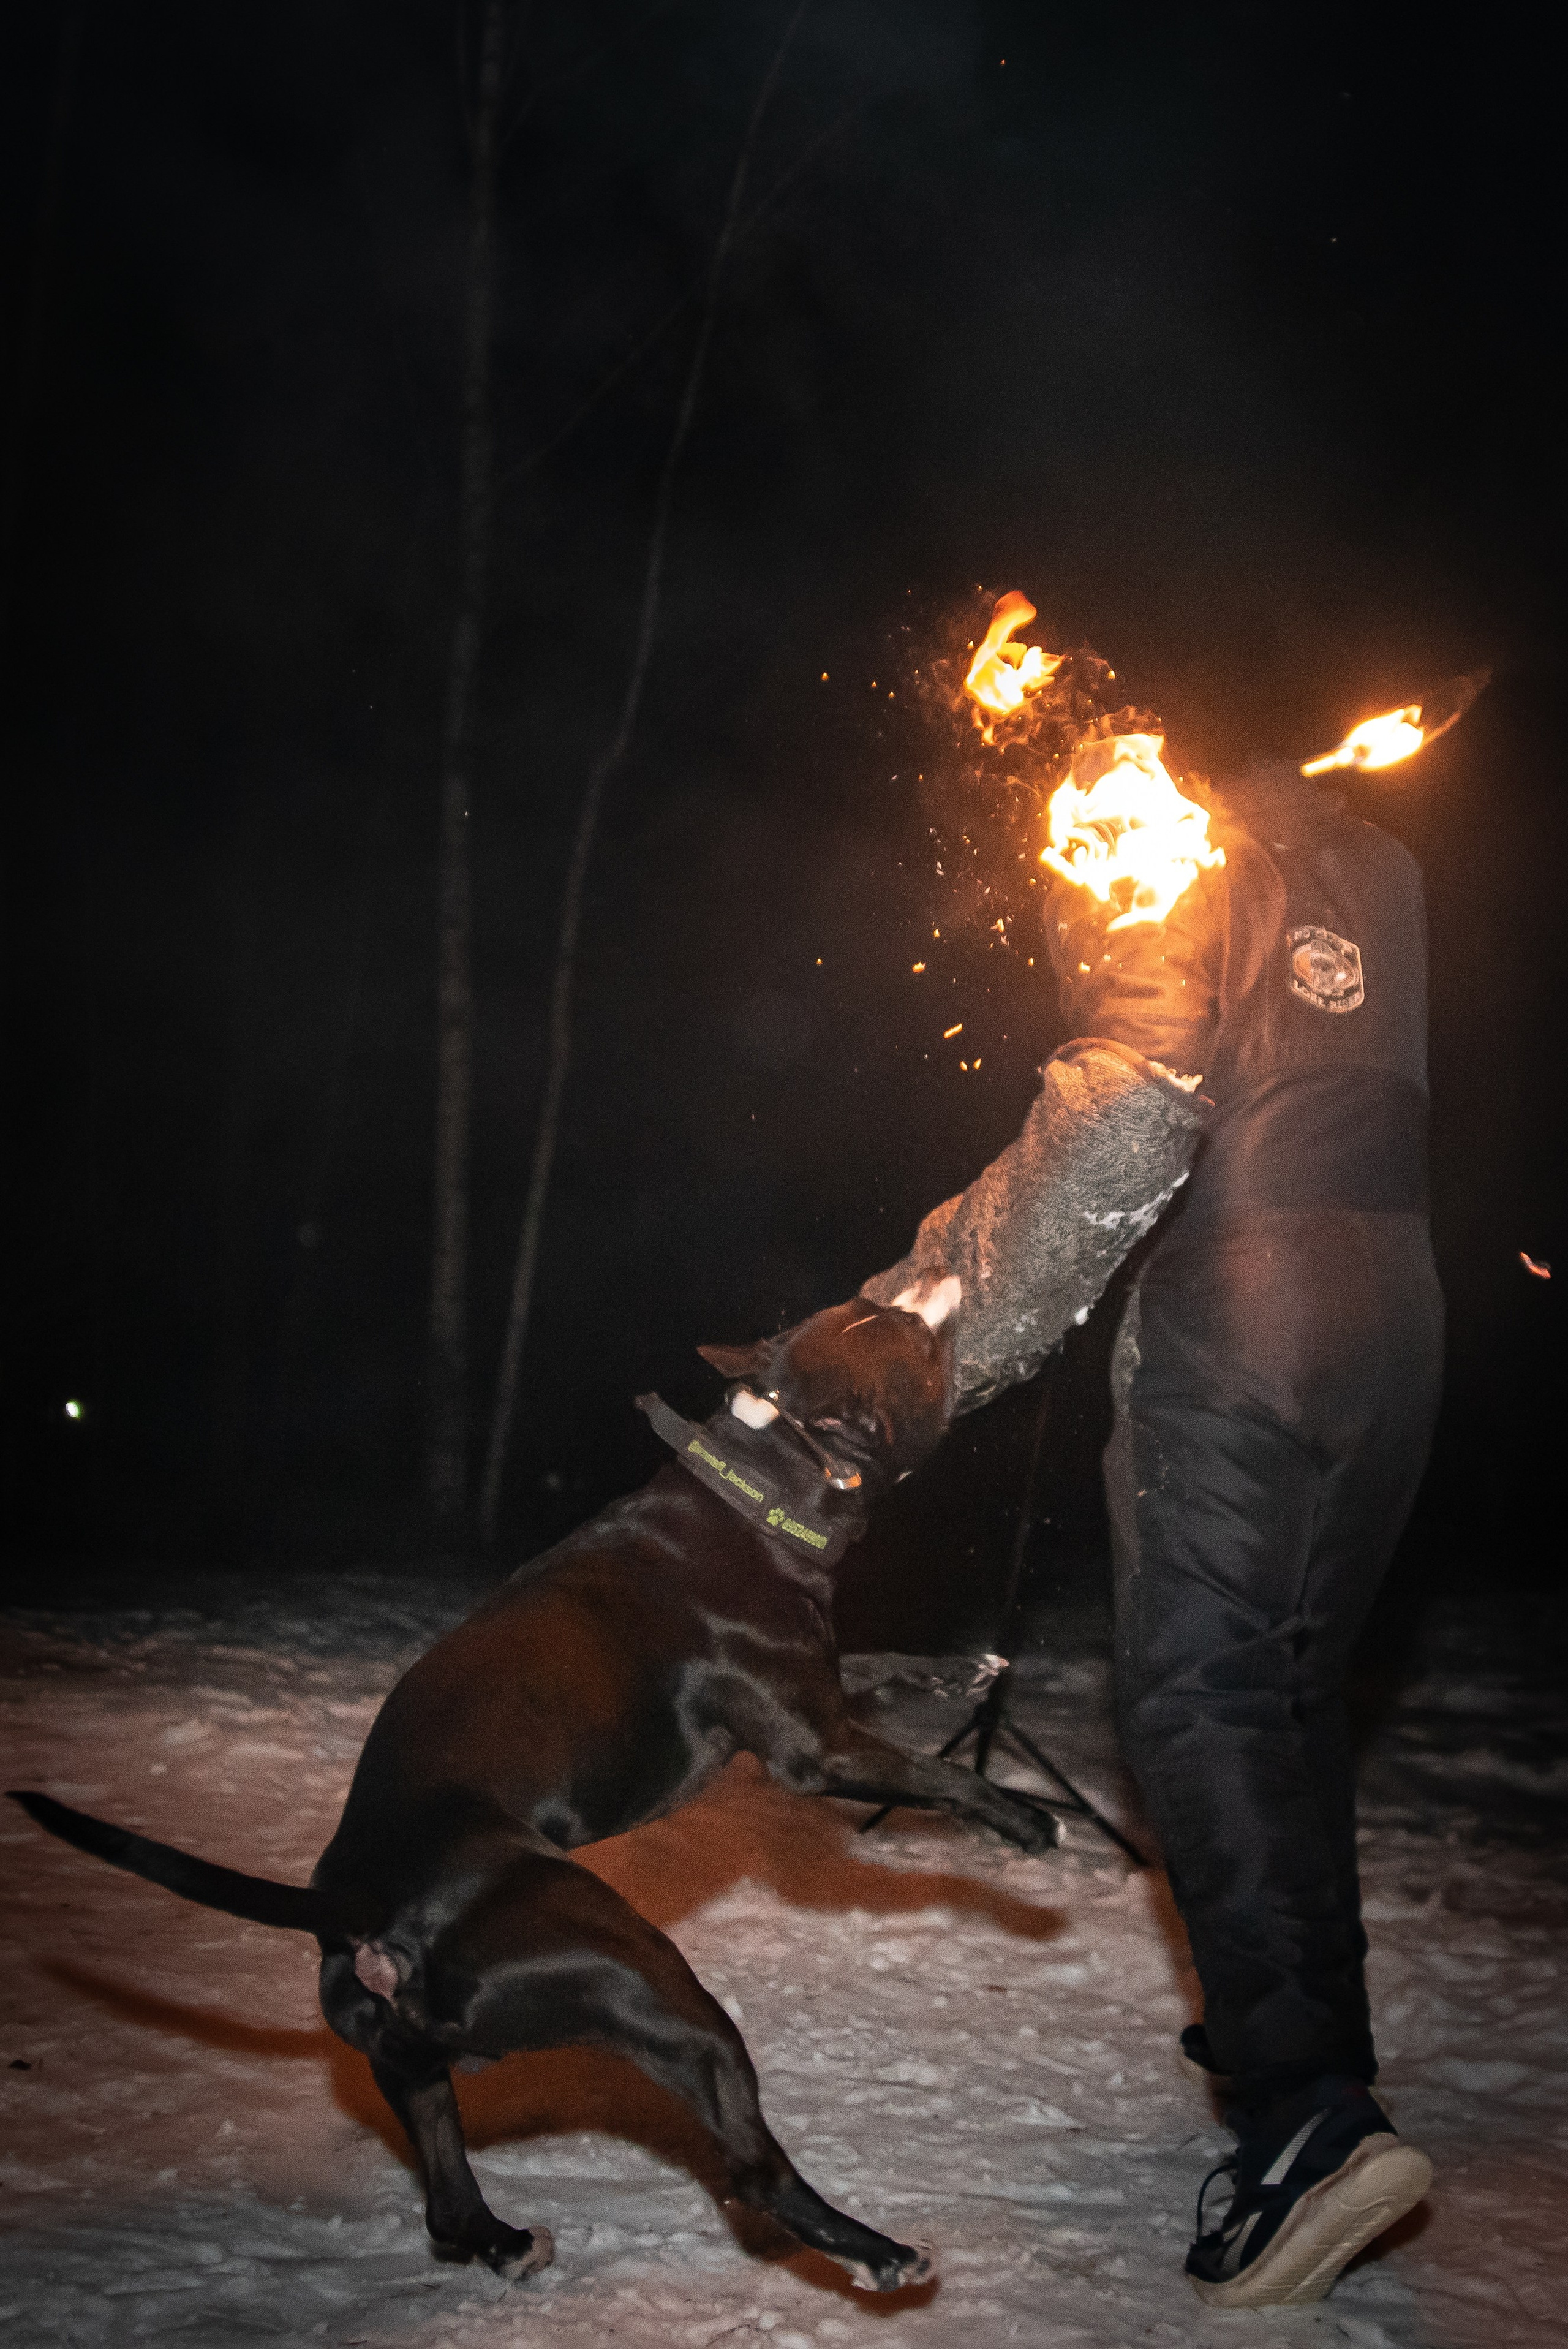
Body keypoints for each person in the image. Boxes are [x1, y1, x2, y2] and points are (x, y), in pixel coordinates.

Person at [862, 738, 1442, 2309]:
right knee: (1285, 1685)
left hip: (1243, 1311)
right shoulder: (1371, 859)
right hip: (1395, 1310)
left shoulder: (1156, 850)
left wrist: (913, 1338)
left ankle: (1302, 2116)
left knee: (1201, 1694)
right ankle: (1313, 2049)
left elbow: (1115, 1132)